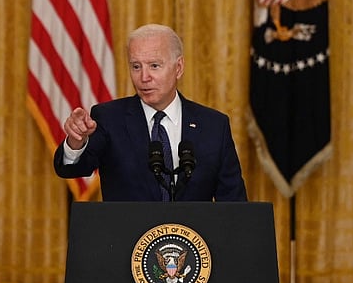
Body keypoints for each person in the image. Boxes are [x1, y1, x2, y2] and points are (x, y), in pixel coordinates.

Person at [54, 24, 248, 202]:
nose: (144, 77)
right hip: (129, 239)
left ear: (178, 68)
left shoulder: (213, 126)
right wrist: (76, 143)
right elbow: (73, 168)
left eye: (154, 66)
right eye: (136, 66)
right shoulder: (109, 118)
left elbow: (234, 205)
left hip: (193, 239)